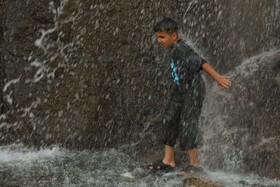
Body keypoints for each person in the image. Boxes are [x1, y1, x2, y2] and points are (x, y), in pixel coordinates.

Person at [147, 18, 231, 173]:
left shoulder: (181, 48)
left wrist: (218, 78)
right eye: (158, 37)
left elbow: (200, 62)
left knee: (187, 123)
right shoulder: (172, 47)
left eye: (162, 37)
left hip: (193, 91)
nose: (159, 40)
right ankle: (169, 160)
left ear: (173, 36)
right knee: (168, 119)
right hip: (180, 90)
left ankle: (195, 164)